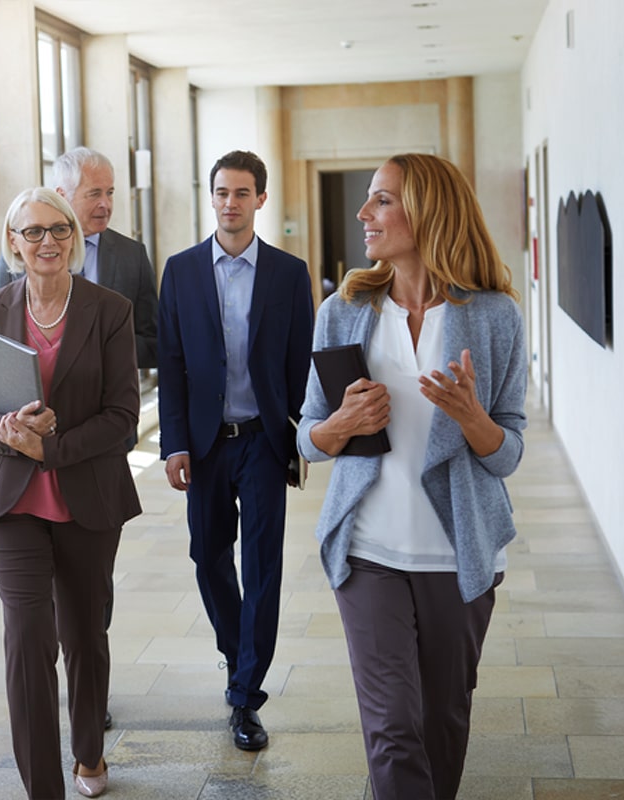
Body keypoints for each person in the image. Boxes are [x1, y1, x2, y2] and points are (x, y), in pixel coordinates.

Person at [296, 153, 527, 800]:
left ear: (428, 211)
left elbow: (507, 452)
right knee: (394, 727)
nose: (364, 214)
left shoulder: (492, 317)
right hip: (367, 550)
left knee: (442, 725)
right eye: (368, 200)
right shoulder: (344, 310)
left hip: (460, 554)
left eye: (382, 200)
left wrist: (472, 418)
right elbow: (308, 439)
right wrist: (339, 424)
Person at [0, 187, 141, 799]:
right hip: (11, 501)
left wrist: (52, 447)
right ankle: (43, 788)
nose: (47, 242)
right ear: (13, 242)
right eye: (31, 232)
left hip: (86, 495)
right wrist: (5, 431)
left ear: (75, 238)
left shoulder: (109, 309)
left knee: (85, 634)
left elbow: (123, 416)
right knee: (28, 639)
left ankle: (88, 750)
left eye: (58, 230)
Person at [157, 150, 313, 751]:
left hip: (264, 443)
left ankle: (247, 695)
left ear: (260, 200)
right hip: (205, 445)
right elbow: (171, 367)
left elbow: (300, 363)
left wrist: (300, 435)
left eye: (242, 193)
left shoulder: (288, 274)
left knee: (263, 568)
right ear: (213, 197)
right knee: (208, 557)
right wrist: (174, 445)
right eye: (221, 192)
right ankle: (236, 651)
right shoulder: (181, 270)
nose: (230, 202)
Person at [0, 147, 158, 372]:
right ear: (62, 196)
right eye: (94, 193)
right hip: (34, 399)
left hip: (107, 400)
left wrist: (105, 346)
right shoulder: (21, 256)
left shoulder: (132, 256)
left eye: (110, 193)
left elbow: (153, 343)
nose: (105, 204)